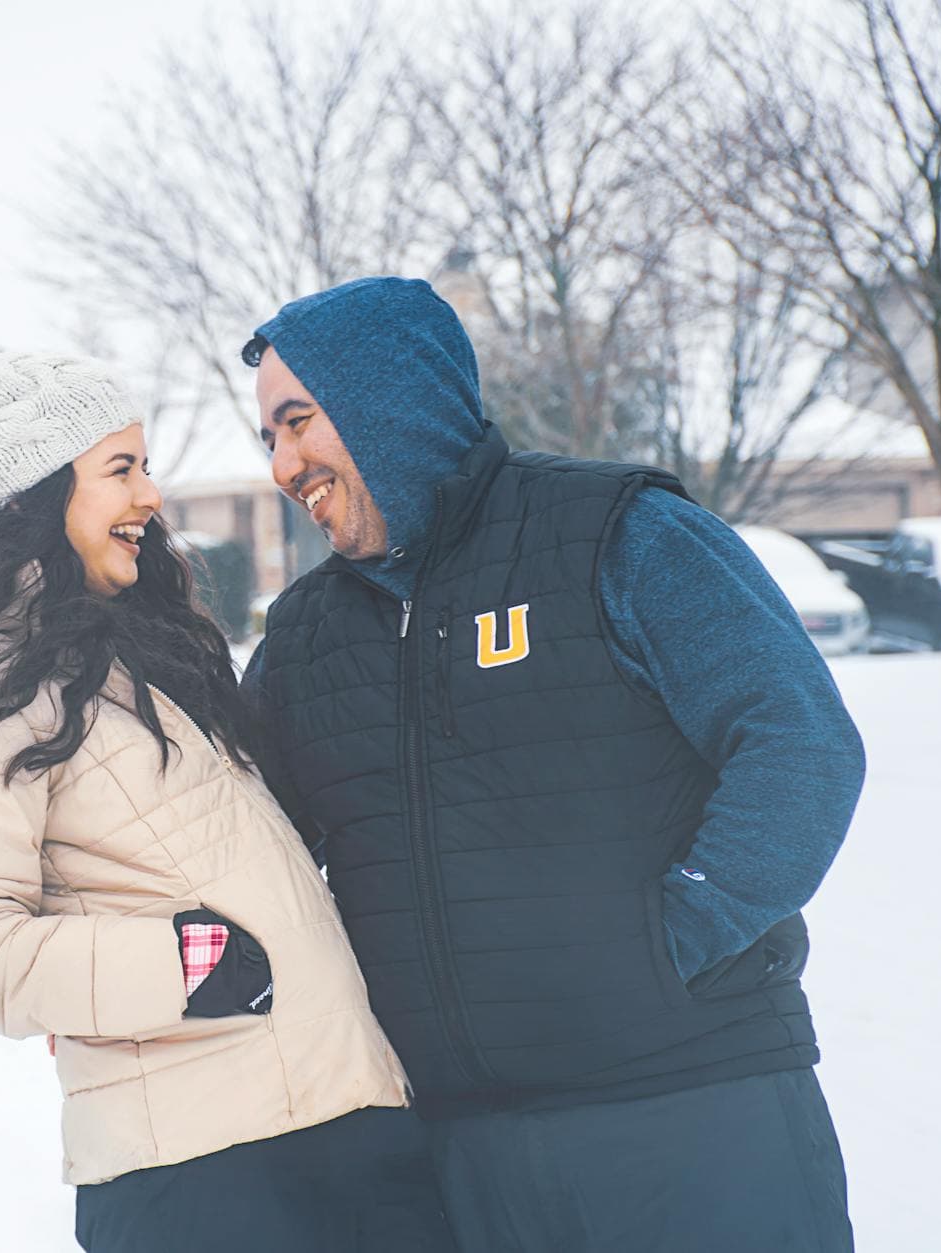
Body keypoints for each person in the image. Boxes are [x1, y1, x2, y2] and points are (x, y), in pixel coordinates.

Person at [239, 278, 864, 1253]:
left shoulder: (616, 534)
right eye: (266, 438)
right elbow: (233, 836)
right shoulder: (305, 636)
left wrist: (665, 940)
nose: (281, 464)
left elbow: (796, 740)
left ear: (383, 401)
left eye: (296, 420)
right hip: (457, 1156)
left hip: (691, 1114)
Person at [0, 351, 455, 1253]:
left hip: (338, 1112)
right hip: (204, 1168)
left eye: (144, 466)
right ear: (35, 492)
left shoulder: (120, 645)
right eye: (120, 469)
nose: (150, 495)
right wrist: (200, 966)